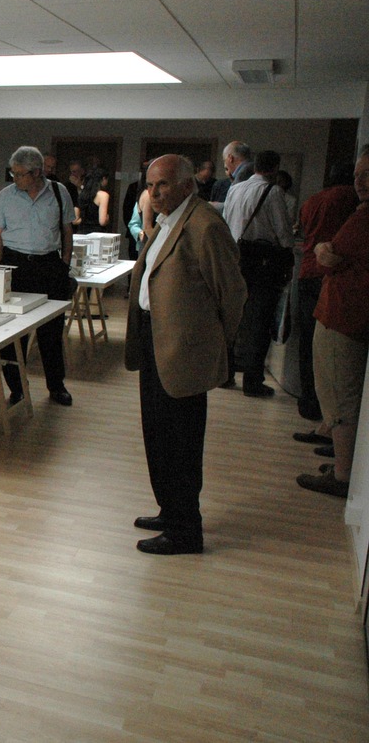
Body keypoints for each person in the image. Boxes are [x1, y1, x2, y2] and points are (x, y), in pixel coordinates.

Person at [125, 154, 246, 555]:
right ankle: (170, 510)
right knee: (157, 435)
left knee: (181, 443)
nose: (154, 192)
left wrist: (212, 342)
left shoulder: (205, 225)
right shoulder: (166, 222)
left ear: (187, 184)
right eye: (150, 185)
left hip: (183, 352)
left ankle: (185, 530)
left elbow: (232, 294)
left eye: (162, 184)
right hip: (155, 341)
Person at [296, 149, 369, 499]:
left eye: (368, 173)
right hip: (339, 309)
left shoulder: (358, 214)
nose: (361, 181)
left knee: (341, 396)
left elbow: (330, 255)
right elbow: (330, 253)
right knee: (335, 390)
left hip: (346, 314)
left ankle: (342, 474)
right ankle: (338, 457)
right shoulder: (355, 209)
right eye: (358, 173)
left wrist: (328, 254)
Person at [0, 146, 75, 407]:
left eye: (19, 174)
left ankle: (56, 385)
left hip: (49, 266)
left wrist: (64, 264)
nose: (14, 178)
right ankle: (17, 388)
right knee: (12, 333)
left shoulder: (59, 193)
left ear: (37, 172)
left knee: (52, 331)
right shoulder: (6, 196)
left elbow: (67, 231)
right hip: (16, 265)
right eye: (12, 173)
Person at [223, 149, 294, 398]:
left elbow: (226, 222)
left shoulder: (235, 189)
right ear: (274, 168)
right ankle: (252, 382)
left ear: (255, 167)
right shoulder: (272, 192)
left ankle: (226, 373)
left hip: (235, 260)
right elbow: (284, 233)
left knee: (232, 318)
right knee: (259, 322)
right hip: (262, 265)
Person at [294, 161, 357, 421]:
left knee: (307, 345)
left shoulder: (312, 200)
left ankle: (308, 403)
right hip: (330, 276)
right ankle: (328, 413)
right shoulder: (350, 199)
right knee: (328, 352)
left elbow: (304, 232)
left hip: (307, 271)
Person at [210, 140, 253, 207]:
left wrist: (215, 206)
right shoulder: (255, 171)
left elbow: (238, 206)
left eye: (224, 160)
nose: (225, 165)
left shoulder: (243, 175)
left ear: (230, 158)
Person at [76, 167, 111, 233]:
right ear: (103, 179)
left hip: (82, 232)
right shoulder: (103, 195)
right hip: (97, 233)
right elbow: (102, 221)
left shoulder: (82, 194)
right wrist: (107, 218)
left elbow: (75, 220)